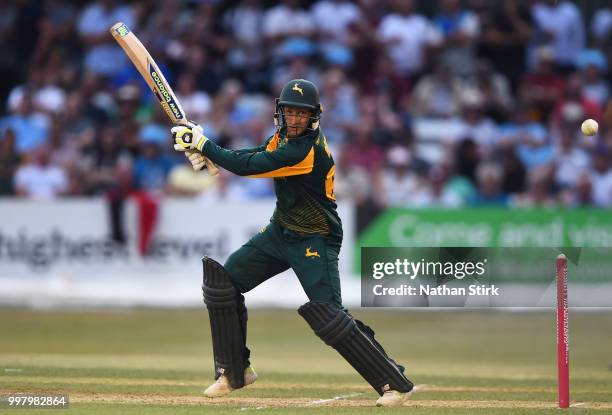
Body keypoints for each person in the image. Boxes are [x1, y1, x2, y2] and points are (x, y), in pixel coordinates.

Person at [171, 79, 414, 407]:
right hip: (279, 232)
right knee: (222, 285)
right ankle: (234, 372)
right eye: (289, 112)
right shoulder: (282, 139)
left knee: (329, 317)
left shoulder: (305, 150)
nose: (295, 119)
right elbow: (253, 154)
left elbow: (249, 167)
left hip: (316, 237)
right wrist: (204, 145)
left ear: (314, 116)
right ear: (280, 113)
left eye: (302, 114)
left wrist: (204, 145)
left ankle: (393, 382)